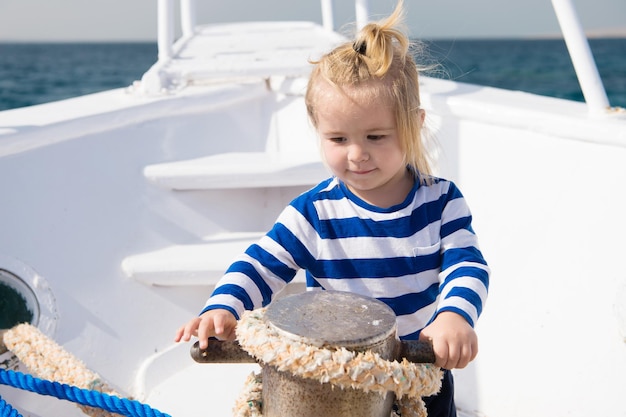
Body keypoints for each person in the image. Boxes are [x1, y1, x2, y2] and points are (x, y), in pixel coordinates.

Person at [175, 2, 489, 416]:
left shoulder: (442, 201)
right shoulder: (313, 213)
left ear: (415, 122)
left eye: (376, 136)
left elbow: (467, 266)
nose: (357, 154)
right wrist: (222, 307)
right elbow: (259, 267)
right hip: (333, 380)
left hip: (418, 369)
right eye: (338, 139)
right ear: (318, 131)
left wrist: (454, 316)